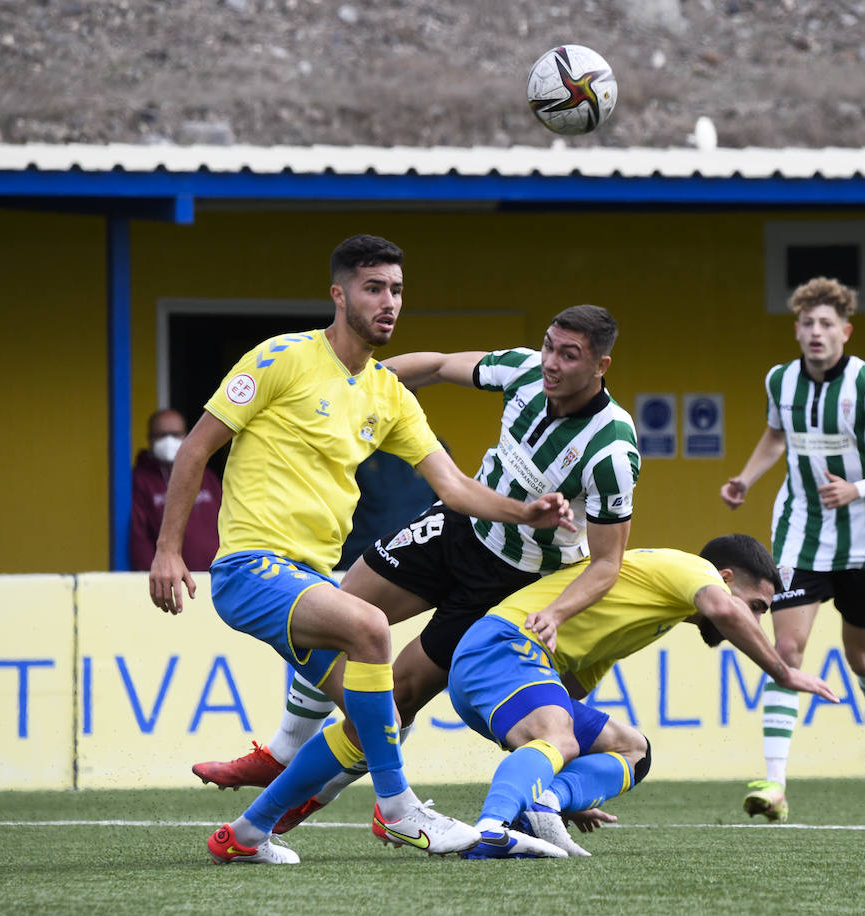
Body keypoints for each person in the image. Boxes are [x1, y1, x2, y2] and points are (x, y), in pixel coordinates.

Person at [149, 234, 574, 865]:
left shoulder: (388, 394)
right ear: (339, 294)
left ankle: (244, 834)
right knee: (371, 625)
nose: (389, 302)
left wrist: (525, 512)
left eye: (397, 290)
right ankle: (400, 811)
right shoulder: (279, 358)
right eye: (374, 288)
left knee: (376, 722)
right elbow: (195, 448)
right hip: (250, 569)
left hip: (308, 578)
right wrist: (168, 550)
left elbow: (454, 488)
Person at [191, 305, 638, 826]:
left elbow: (607, 564)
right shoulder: (523, 371)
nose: (551, 362)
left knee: (395, 697)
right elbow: (438, 365)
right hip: (456, 527)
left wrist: (557, 614)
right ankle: (284, 750)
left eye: (569, 354)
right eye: (548, 345)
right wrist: (365, 383)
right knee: (340, 612)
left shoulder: (611, 450)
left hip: (512, 581)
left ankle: (316, 794)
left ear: (601, 366)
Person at [225, 534, 839, 862]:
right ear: (729, 580)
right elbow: (722, 610)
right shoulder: (694, 574)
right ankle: (496, 826)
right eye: (756, 606)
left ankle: (246, 831)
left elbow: (568, 693)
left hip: (509, 663)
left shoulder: (651, 612)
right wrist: (781, 670)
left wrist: (570, 787)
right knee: (554, 736)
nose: (750, 619)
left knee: (632, 748)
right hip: (501, 645)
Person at [720, 276, 865, 824]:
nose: (816, 333)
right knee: (787, 653)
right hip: (799, 536)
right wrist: (745, 479)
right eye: (807, 324)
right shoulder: (781, 381)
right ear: (797, 330)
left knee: (861, 656)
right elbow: (775, 435)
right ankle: (775, 783)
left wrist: (859, 487)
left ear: (845, 331)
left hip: (862, 541)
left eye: (826, 324)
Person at [130, 408, 220, 571]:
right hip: (171, 579)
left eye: (175, 434)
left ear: (186, 435)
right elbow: (138, 537)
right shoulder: (139, 480)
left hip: (215, 577)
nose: (169, 440)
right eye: (161, 435)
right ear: (149, 438)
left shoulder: (204, 475)